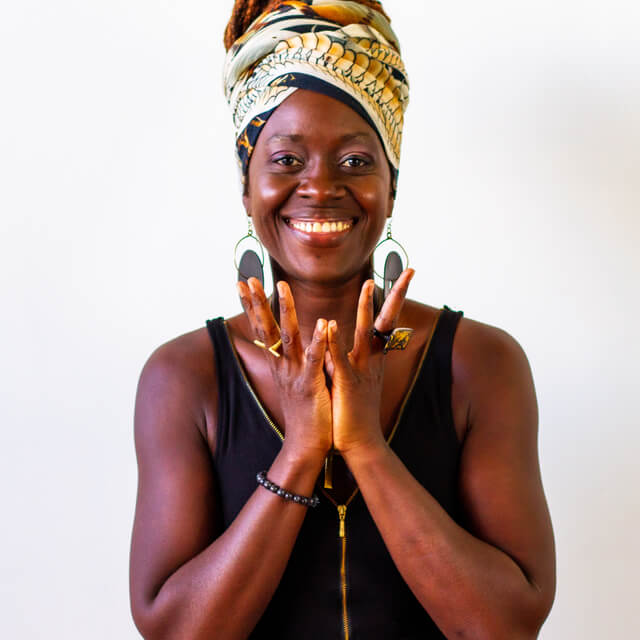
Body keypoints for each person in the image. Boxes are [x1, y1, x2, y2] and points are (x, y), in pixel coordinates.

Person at [129, 1, 556, 638]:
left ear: (392, 186)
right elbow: (176, 632)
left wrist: (365, 446)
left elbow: (506, 626)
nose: (321, 186)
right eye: (286, 160)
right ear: (246, 186)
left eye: (356, 161)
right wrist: (300, 450)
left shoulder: (481, 364)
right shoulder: (184, 377)